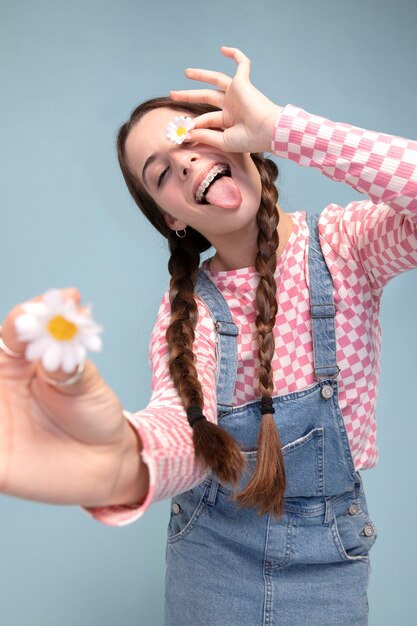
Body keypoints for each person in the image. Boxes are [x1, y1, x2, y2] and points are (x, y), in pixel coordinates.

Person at [0, 47, 416, 624]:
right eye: (162, 173)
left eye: (192, 137)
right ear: (172, 216)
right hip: (210, 561)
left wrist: (281, 128)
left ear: (235, 136)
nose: (188, 165)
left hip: (330, 562)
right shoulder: (187, 307)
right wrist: (122, 460)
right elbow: (182, 428)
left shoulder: (348, 245)